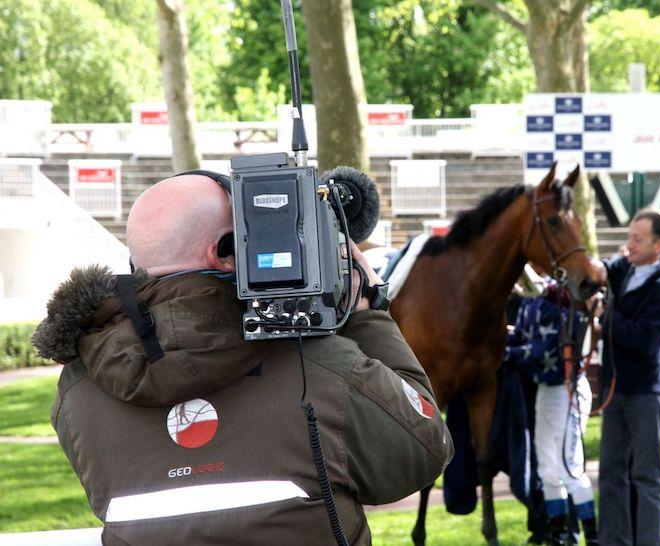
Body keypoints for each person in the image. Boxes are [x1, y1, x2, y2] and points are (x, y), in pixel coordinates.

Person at [32, 173, 453, 545]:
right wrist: (367, 316)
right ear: (226, 251)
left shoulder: (77, 390)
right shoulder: (320, 365)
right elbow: (420, 450)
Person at [597, 207, 660, 546]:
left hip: (645, 393)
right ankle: (613, 541)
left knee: (646, 475)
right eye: (629, 236)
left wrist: (607, 319)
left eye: (637, 239)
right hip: (615, 391)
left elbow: (645, 342)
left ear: (659, 245)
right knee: (610, 472)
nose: (628, 244)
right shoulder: (624, 269)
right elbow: (603, 269)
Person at [505, 275, 598, 546]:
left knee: (570, 468)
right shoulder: (530, 304)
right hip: (546, 390)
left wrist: (504, 350)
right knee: (547, 469)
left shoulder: (564, 302)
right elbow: (522, 337)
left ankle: (593, 536)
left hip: (568, 389)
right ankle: (557, 534)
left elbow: (542, 350)